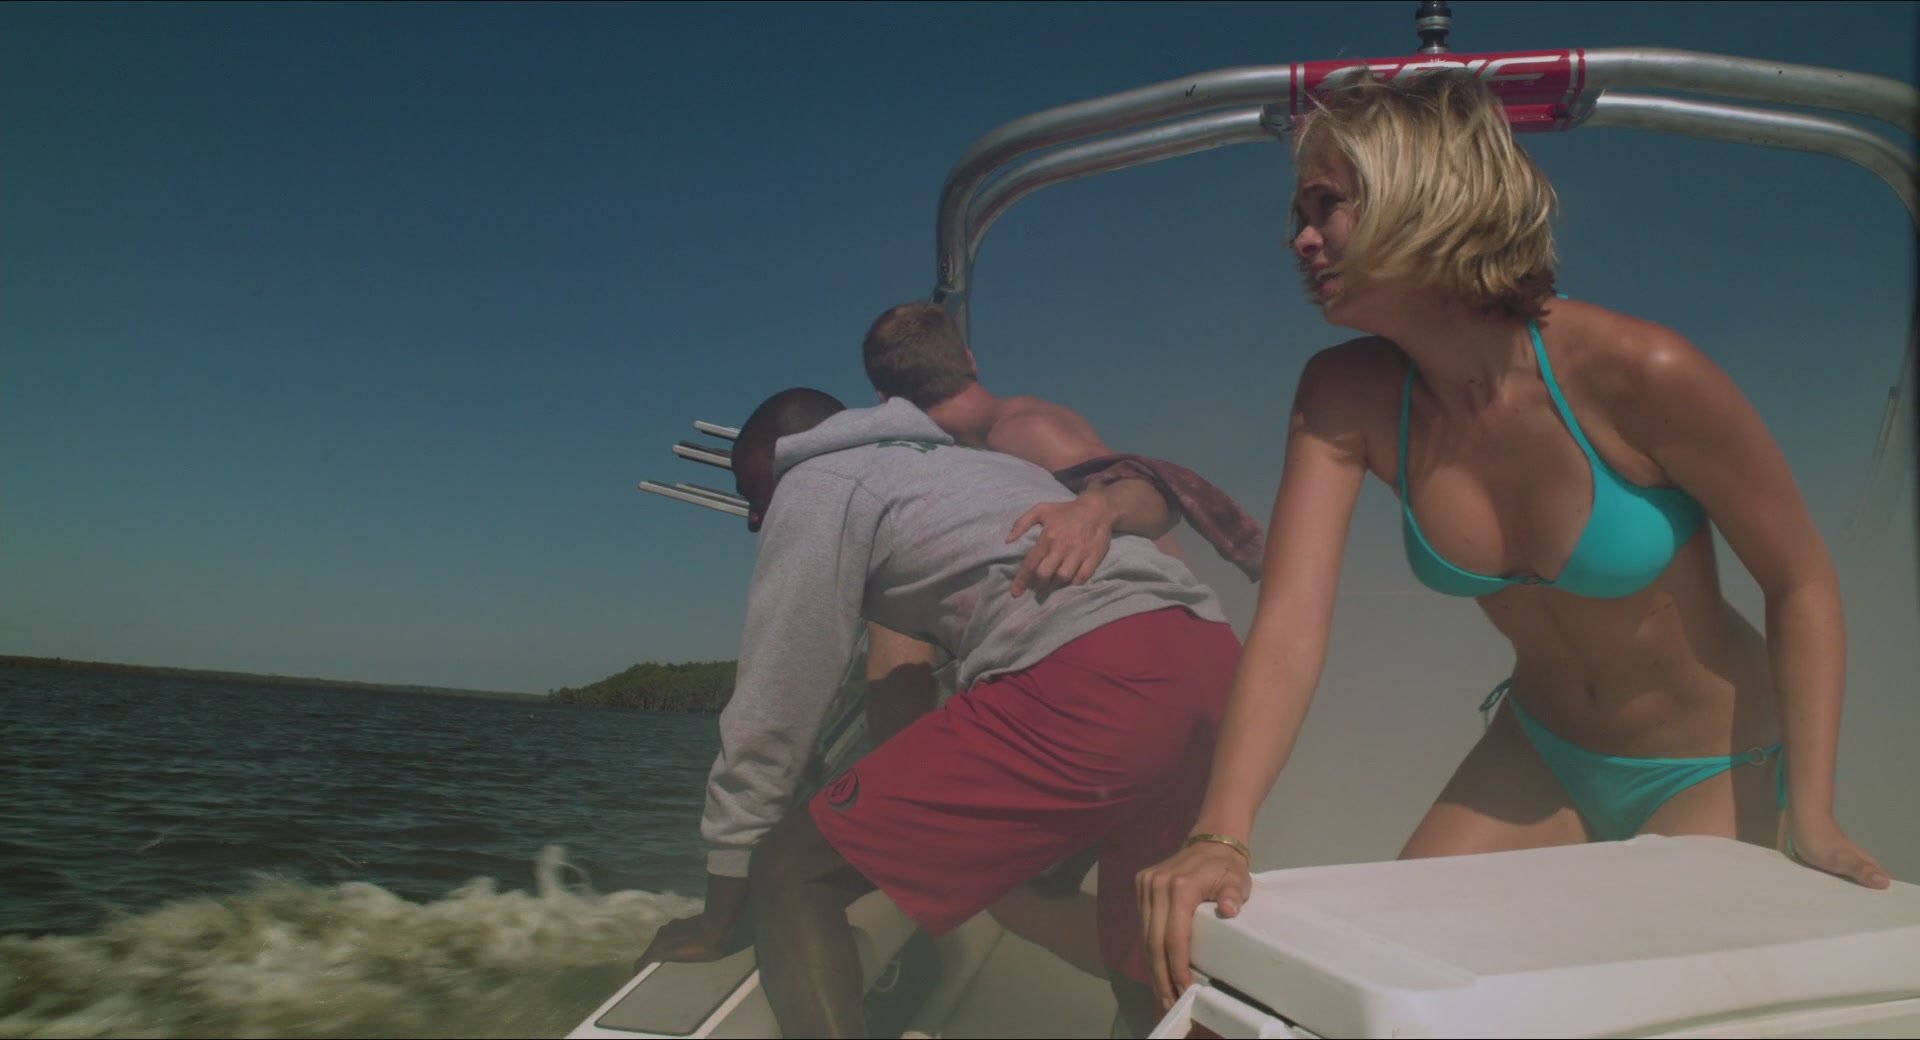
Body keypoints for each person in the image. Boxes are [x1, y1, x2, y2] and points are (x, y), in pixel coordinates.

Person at [1136, 68, 1891, 1009]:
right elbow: (1289, 625)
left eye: (1327, 205)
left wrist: (1812, 813)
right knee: (1383, 989)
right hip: (1537, 754)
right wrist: (1221, 833)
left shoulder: (1639, 372)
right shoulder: (1345, 395)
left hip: (1716, 765)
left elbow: (1801, 582)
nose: (1301, 238)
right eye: (1300, 213)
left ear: (1423, 189)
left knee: (1630, 1012)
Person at [639, 387, 1241, 1037]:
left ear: (786, 453)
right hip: (1212, 665)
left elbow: (774, 706)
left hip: (1095, 678)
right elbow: (902, 690)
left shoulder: (816, 482)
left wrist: (722, 909)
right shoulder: (972, 469)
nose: (754, 518)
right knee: (1142, 936)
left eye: (751, 490)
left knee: (790, 871)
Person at [856, 300, 1261, 978]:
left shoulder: (1023, 431)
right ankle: (1169, 991)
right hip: (1149, 675)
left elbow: (1141, 499)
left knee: (1059, 898)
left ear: (884, 402)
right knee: (1062, 897)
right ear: (969, 360)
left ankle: (1197, 992)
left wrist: (1099, 506)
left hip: (1149, 674)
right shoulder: (978, 454)